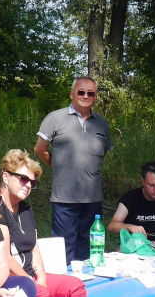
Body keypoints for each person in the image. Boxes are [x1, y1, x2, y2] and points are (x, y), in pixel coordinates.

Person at [0, 150, 129, 297]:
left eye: (32, 182)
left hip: (28, 271)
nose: (28, 185)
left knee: (74, 285)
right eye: (23, 179)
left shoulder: (25, 208)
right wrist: (30, 280)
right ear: (6, 176)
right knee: (39, 293)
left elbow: (33, 245)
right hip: (6, 276)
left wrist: (41, 273)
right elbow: (4, 256)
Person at [34, 76, 112, 264]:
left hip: (93, 199)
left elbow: (103, 153)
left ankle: (88, 282)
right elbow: (40, 149)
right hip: (65, 199)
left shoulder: (101, 123)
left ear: (95, 96)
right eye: (81, 92)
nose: (86, 96)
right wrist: (58, 165)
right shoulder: (55, 118)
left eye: (90, 93)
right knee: (64, 251)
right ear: (72, 94)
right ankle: (66, 282)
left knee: (90, 250)